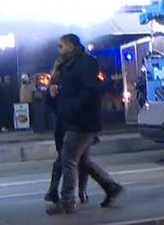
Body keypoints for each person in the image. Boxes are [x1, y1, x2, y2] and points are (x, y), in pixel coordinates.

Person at [47, 34, 124, 215]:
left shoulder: (84, 63)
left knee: (68, 159)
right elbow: (62, 92)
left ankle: (67, 200)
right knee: (82, 161)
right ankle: (111, 187)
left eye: (61, 46)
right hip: (71, 120)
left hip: (81, 121)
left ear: (71, 46)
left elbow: (90, 90)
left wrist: (73, 108)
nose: (59, 50)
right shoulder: (66, 65)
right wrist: (53, 90)